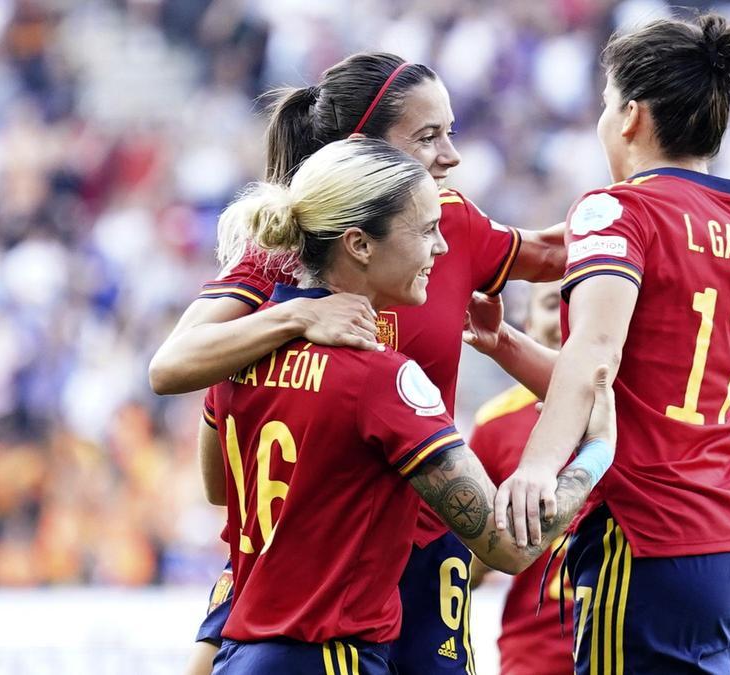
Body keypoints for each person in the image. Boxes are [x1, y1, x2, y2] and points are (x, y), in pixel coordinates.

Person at [154, 52, 568, 675]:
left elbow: (559, 249)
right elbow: (170, 368)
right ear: (360, 157)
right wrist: (296, 317)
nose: (452, 156)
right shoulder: (286, 249)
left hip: (426, 548)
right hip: (306, 565)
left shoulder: (447, 225)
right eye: (428, 137)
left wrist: (664, 207)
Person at [205, 138, 614, 674]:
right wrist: (597, 450)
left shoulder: (237, 353)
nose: (441, 250)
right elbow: (507, 548)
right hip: (332, 658)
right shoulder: (380, 378)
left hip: (240, 656)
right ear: (359, 244)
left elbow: (220, 489)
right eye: (425, 231)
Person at [464, 14, 730, 674]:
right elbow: (636, 383)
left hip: (647, 535)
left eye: (607, 106)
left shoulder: (617, 209)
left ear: (632, 116)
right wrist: (506, 343)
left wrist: (537, 464)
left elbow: (597, 354)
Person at [469, 283, 575, 675]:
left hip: (635, 649)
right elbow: (465, 561)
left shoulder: (642, 412)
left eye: (580, 303)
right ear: (527, 325)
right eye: (553, 305)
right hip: (536, 657)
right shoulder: (494, 424)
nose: (567, 316)